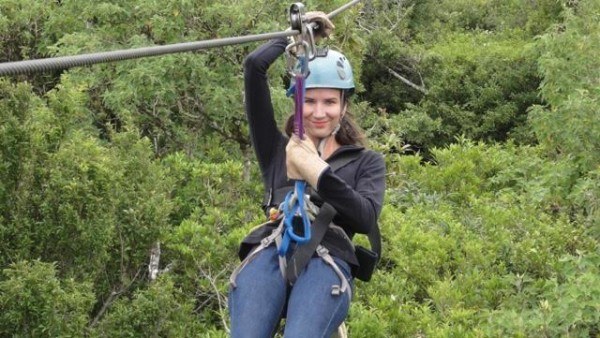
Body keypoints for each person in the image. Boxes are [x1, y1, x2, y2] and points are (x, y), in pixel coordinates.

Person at [228, 12, 386, 338]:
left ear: (343, 106)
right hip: (271, 251)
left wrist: (316, 171)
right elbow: (254, 67)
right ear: (298, 102)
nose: (318, 112)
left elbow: (365, 218)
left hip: (327, 259)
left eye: (329, 101)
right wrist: (294, 36)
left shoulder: (366, 162)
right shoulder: (277, 150)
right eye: (310, 100)